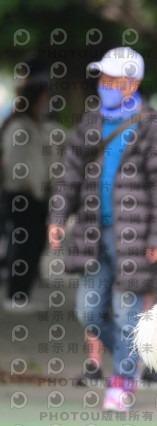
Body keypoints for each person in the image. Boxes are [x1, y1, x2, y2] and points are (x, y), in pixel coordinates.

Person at [47, 47, 157, 411]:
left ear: (132, 84)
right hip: (92, 233)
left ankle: (122, 379)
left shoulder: (154, 128)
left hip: (134, 237)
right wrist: (57, 218)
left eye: (111, 79)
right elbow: (70, 175)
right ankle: (130, 356)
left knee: (125, 312)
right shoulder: (91, 123)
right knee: (88, 311)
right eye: (102, 78)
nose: (103, 85)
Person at [1, 72, 55, 311]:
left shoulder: (37, 125)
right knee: (23, 245)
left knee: (34, 244)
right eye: (44, 97)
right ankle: (16, 294)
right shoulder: (19, 126)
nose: (47, 101)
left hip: (36, 195)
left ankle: (22, 293)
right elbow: (14, 162)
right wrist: (27, 185)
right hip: (22, 195)